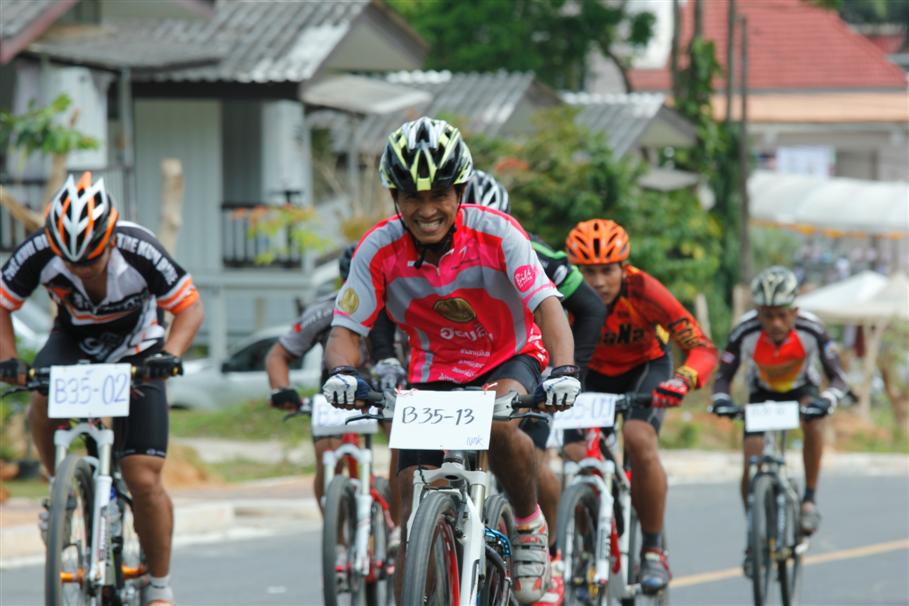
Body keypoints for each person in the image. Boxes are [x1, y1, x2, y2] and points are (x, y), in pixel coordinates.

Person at [321, 117, 581, 604]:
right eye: (411, 196)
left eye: (439, 194)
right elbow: (346, 330)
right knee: (409, 504)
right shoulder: (377, 248)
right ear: (394, 197)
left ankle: (528, 524)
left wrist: (564, 370)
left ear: (460, 191)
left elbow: (548, 306)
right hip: (435, 369)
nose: (426, 210)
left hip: (509, 355)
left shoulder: (498, 232)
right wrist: (340, 373)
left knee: (497, 425)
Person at [0, 172, 203, 606]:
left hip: (140, 350)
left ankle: (159, 586)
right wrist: (9, 360)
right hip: (74, 342)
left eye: (90, 260)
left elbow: (189, 307)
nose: (80, 269)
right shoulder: (39, 249)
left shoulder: (140, 248)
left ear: (110, 239)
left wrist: (169, 354)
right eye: (70, 262)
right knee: (41, 396)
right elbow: (2, 303)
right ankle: (60, 492)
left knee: (143, 476)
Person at [463, 169, 606, 600]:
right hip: (466, 364)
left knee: (534, 461)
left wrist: (569, 373)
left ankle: (551, 555)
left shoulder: (531, 251)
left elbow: (590, 308)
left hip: (527, 365)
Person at [563, 218, 718, 594]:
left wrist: (682, 380)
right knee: (575, 452)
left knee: (638, 437)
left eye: (607, 270)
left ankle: (652, 549)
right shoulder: (562, 292)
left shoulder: (645, 290)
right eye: (588, 271)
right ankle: (589, 542)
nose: (598, 281)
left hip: (644, 370)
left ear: (624, 267)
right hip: (589, 373)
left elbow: (701, 346)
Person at [710, 266, 848, 574]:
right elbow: (723, 377)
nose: (775, 323)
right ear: (757, 311)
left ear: (794, 311)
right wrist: (721, 399)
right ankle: (754, 533)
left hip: (802, 390)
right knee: (751, 458)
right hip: (762, 394)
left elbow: (839, 377)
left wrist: (829, 399)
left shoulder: (812, 329)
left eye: (783, 315)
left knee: (815, 422)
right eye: (767, 315)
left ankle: (809, 499)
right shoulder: (744, 331)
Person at [264, 244, 400, 540]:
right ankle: (337, 542)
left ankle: (399, 524)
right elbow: (278, 355)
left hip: (389, 389)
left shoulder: (401, 306)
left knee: (404, 445)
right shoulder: (325, 310)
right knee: (326, 453)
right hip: (340, 392)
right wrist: (281, 390)